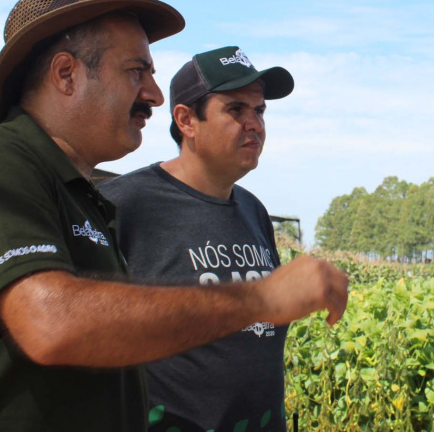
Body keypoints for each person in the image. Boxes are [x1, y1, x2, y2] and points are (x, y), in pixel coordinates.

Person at [0, 0, 349, 432]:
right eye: (136, 71)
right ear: (66, 75)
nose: (153, 95)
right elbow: (50, 323)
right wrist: (258, 298)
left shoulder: (83, 201)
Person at [100, 46, 296, 431]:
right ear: (186, 120)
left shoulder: (254, 211)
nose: (254, 123)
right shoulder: (123, 206)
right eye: (236, 110)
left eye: (259, 111)